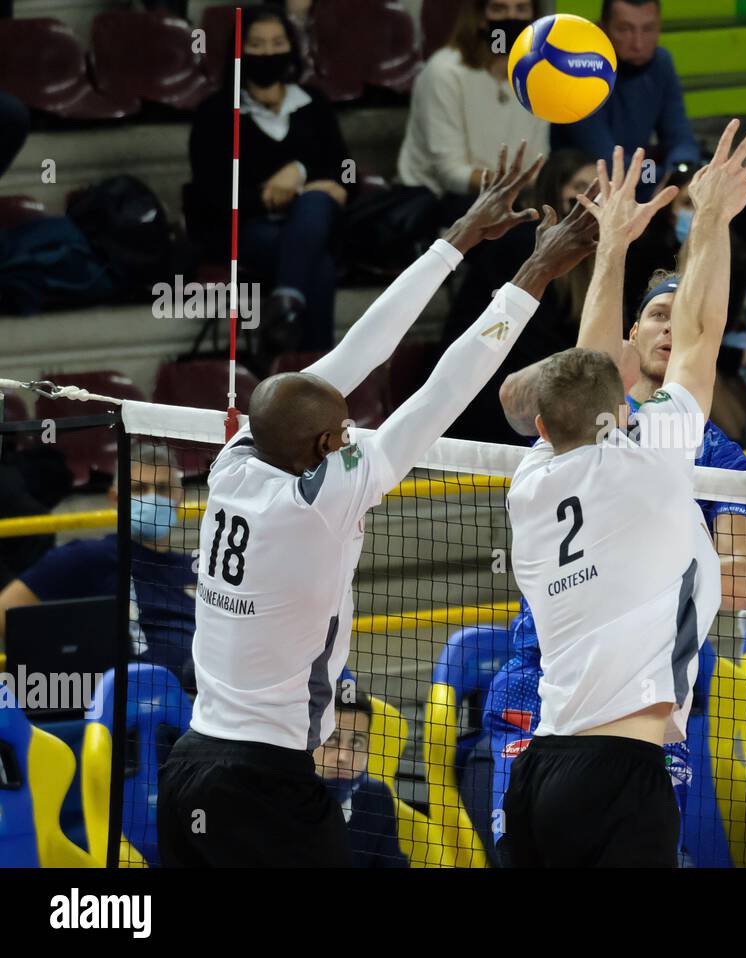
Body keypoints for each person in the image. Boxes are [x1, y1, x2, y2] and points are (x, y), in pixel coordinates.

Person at [156, 142, 599, 868]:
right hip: (262, 785)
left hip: (194, 765)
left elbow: (355, 352)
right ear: (319, 447)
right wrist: (535, 272)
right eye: (339, 432)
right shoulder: (318, 500)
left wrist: (456, 240)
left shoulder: (240, 459)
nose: (349, 433)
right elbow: (443, 393)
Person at [499, 122, 746, 868]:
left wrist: (614, 245)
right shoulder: (652, 461)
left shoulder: (532, 477)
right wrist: (712, 217)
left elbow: (590, 365)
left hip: (541, 765)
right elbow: (700, 336)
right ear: (619, 404)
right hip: (622, 772)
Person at [188, 4, 351, 367]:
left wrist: (298, 172)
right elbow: (211, 195)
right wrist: (269, 196)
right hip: (247, 229)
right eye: (257, 45)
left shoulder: (314, 104)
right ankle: (316, 373)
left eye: (277, 42)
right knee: (318, 263)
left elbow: (345, 174)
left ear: (291, 47)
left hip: (316, 224)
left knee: (314, 207)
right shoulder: (215, 114)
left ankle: (285, 312)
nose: (268, 53)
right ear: (239, 50)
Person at [439, 149, 600, 445]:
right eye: (579, 188)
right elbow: (523, 345)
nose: (588, 200)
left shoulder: (597, 255)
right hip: (486, 396)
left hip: (539, 391)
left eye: (597, 192)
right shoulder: (521, 246)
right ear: (554, 191)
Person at [0, 442, 196, 679]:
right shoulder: (87, 557)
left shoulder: (195, 568)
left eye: (163, 488)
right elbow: (5, 611)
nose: (152, 498)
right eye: (138, 488)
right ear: (115, 498)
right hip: (123, 701)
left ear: (179, 495)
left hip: (201, 696)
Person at [397, 0, 549, 226]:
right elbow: (450, 173)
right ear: (479, 17)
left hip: (511, 197)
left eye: (522, 8)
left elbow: (538, 161)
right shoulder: (445, 72)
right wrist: (514, 188)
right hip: (441, 201)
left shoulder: (538, 74)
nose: (512, 18)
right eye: (499, 9)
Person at [552, 0, 700, 200]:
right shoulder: (578, 74)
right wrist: (667, 178)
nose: (638, 43)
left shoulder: (661, 62)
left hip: (642, 184)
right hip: (583, 197)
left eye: (648, 29)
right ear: (602, 28)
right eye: (625, 30)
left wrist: (682, 170)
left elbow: (680, 137)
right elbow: (609, 164)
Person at [313, 683, 407, 868]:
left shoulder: (377, 796)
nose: (343, 757)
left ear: (368, 749)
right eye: (331, 739)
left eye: (356, 742)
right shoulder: (276, 796)